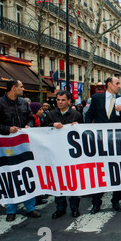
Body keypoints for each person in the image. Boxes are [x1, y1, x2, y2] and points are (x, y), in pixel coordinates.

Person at [0, 79, 41, 222]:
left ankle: (31, 207)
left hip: (23, 144)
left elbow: (31, 118)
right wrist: (7, 130)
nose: (23, 89)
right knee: (11, 175)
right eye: (21, 86)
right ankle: (11, 209)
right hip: (7, 145)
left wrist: (29, 125)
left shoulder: (23, 103)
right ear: (13, 88)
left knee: (27, 173)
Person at [85, 77, 121, 214]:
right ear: (109, 85)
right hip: (99, 141)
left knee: (117, 171)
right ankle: (96, 203)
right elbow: (89, 115)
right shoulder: (97, 98)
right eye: (117, 83)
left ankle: (116, 200)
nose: (119, 86)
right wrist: (87, 132)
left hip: (115, 141)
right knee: (98, 172)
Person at [44, 90, 84, 218]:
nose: (60, 102)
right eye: (58, 100)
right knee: (58, 180)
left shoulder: (76, 114)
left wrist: (78, 126)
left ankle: (74, 207)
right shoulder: (50, 115)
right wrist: (52, 125)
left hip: (71, 154)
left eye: (63, 100)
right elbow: (42, 131)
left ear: (69, 101)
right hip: (56, 153)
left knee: (73, 180)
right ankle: (60, 207)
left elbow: (84, 131)